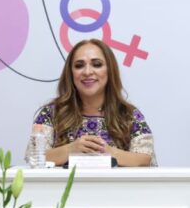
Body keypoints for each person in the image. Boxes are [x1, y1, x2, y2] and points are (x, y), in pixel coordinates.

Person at [33, 39, 155, 167]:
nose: (87, 72)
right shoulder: (51, 113)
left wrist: (108, 151)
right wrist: (71, 149)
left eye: (96, 64)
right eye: (79, 66)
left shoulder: (128, 114)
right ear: (70, 73)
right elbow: (34, 157)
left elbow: (145, 159)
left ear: (110, 70)